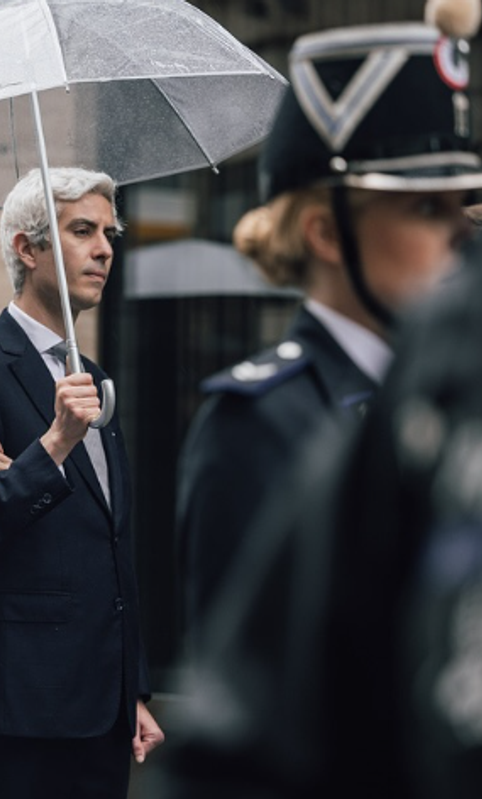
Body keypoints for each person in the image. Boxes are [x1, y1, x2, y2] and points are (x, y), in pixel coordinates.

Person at [153, 7, 482, 799]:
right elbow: (253, 706)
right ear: (326, 234)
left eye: (467, 204)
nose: (462, 234)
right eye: (425, 209)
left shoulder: (452, 393)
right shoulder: (257, 419)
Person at [0, 167, 162, 799]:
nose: (105, 248)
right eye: (82, 230)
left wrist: (131, 687)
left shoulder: (92, 374)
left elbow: (112, 547)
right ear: (26, 249)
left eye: (109, 232)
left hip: (102, 710)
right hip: (20, 705)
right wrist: (53, 444)